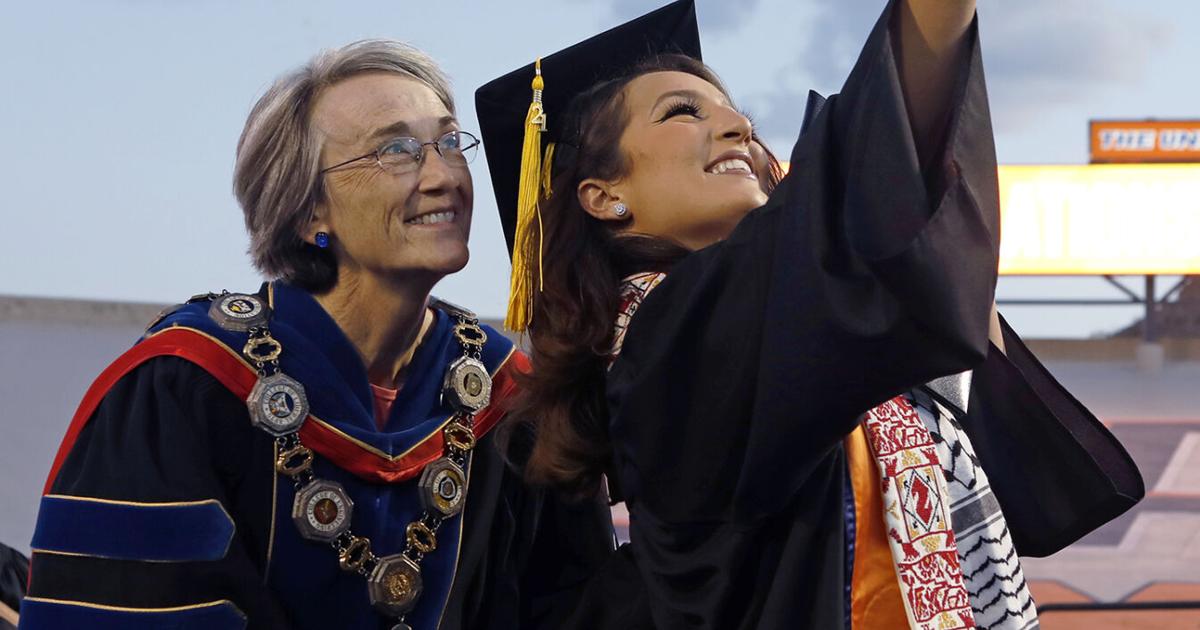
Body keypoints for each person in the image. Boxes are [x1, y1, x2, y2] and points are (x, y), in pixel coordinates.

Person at [476, 1, 1143, 628]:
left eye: (737, 114)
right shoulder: (667, 345)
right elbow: (872, 200)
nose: (738, 126)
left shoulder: (799, 335)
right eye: (684, 112)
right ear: (604, 196)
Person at [22, 40, 612, 630]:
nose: (443, 176)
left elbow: (574, 607)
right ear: (309, 212)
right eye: (396, 150)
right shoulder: (187, 385)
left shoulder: (505, 397)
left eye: (449, 142)